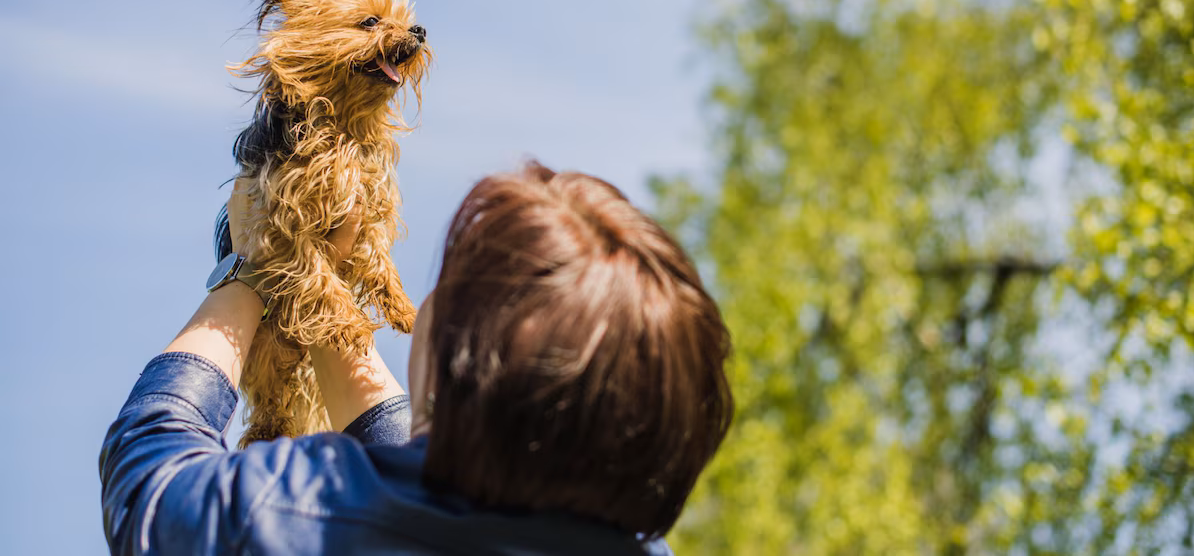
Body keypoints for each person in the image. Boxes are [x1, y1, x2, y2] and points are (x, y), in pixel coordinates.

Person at [99, 161, 734, 555]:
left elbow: (153, 488)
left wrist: (249, 270)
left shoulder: (305, 513)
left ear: (462, 357)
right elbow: (430, 477)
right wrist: (315, 281)